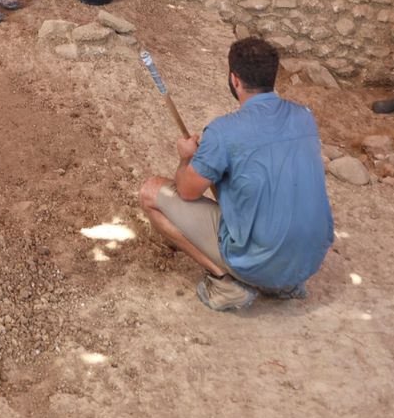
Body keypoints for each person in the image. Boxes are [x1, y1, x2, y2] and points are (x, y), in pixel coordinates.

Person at [139, 37, 334, 312]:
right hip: (309, 262)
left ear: (235, 80)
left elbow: (187, 191)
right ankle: (286, 284)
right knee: (233, 178)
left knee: (150, 192)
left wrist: (186, 158)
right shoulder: (304, 117)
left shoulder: (223, 132)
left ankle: (225, 282)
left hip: (260, 263)